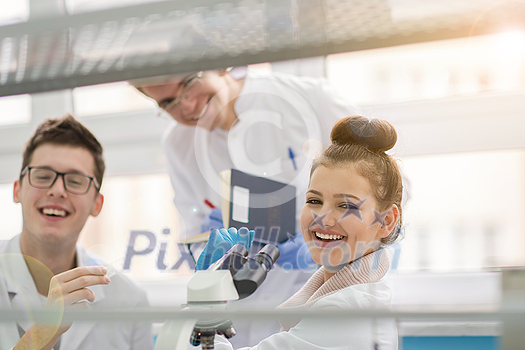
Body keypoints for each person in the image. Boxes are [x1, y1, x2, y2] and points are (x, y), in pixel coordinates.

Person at [133, 67, 357, 345]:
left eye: (188, 84)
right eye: (167, 103)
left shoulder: (311, 99)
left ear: (218, 64)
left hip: (321, 297)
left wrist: (316, 242)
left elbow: (388, 191)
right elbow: (192, 235)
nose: (187, 105)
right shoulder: (179, 143)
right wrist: (210, 252)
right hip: (239, 314)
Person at [195, 115, 403, 349]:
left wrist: (204, 301)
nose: (322, 217)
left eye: (346, 205)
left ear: (386, 221)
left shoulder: (345, 313)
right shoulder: (343, 294)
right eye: (314, 200)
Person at [0, 115, 153, 350]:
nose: (57, 190)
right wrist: (44, 332)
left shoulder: (131, 303)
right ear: (17, 190)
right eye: (43, 176)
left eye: (75, 181)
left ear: (97, 204)